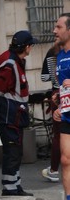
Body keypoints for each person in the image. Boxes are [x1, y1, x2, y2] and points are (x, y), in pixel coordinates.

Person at [0, 30, 36, 196]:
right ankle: (10, 187)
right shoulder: (10, 63)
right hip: (9, 113)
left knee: (15, 149)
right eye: (30, 45)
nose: (31, 48)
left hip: (12, 113)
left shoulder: (12, 59)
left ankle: (14, 184)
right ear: (26, 47)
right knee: (12, 150)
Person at [49, 13, 70, 200]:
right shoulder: (59, 55)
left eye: (59, 26)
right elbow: (62, 89)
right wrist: (58, 103)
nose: (55, 30)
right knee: (65, 160)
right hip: (67, 114)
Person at [41, 44, 60, 182]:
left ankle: (53, 170)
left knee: (58, 135)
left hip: (56, 94)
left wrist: (54, 77)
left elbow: (44, 77)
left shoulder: (52, 51)